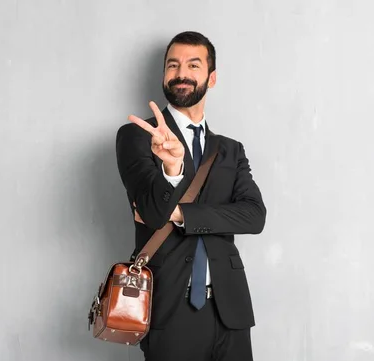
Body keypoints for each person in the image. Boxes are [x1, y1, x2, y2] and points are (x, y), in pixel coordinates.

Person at [115, 31, 266, 361]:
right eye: (173, 65)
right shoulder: (136, 137)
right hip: (170, 310)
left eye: (193, 65)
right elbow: (155, 213)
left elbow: (254, 216)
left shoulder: (229, 150)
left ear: (211, 78)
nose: (181, 73)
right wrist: (171, 169)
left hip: (231, 310)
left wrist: (183, 215)